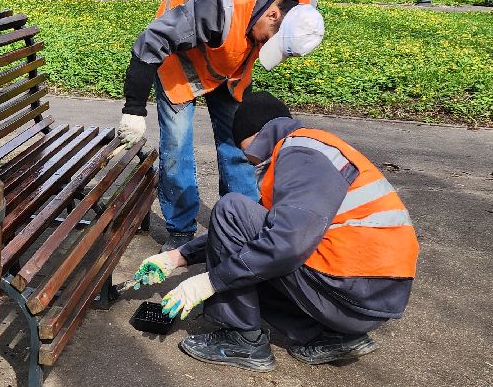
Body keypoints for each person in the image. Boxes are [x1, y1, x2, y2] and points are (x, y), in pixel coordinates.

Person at [132, 91, 418, 370]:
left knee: (232, 210)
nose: (250, 162)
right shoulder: (313, 149)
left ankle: (239, 338)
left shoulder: (300, 154)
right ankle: (329, 335)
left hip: (354, 290)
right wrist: (178, 257)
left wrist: (211, 281)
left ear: (257, 137)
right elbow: (254, 231)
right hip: (368, 294)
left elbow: (283, 243)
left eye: (247, 153)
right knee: (250, 251)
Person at [116, 0, 325, 249]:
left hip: (230, 62)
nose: (265, 47)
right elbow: (150, 42)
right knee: (177, 148)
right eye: (268, 41)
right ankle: (181, 230)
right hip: (181, 60)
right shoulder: (217, 7)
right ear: (274, 13)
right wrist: (134, 109)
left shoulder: (302, 1)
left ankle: (242, 222)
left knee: (240, 145)